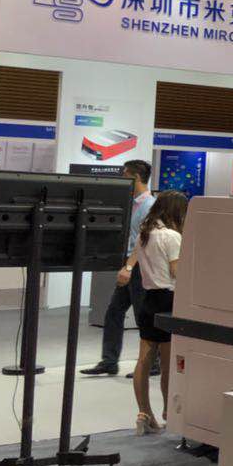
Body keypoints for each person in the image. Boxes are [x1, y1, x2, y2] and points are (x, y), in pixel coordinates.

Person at [81, 159, 155, 377]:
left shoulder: (150, 206)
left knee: (143, 316)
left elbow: (144, 241)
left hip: (139, 266)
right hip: (128, 263)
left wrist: (129, 268)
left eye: (125, 175)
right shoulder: (130, 203)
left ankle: (153, 363)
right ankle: (109, 361)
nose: (122, 179)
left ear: (136, 178)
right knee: (114, 312)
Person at [130, 190, 186, 435]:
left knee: (143, 360)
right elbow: (177, 273)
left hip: (148, 300)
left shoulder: (144, 234)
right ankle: (168, 412)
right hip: (169, 302)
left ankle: (144, 413)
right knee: (168, 364)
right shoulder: (172, 237)